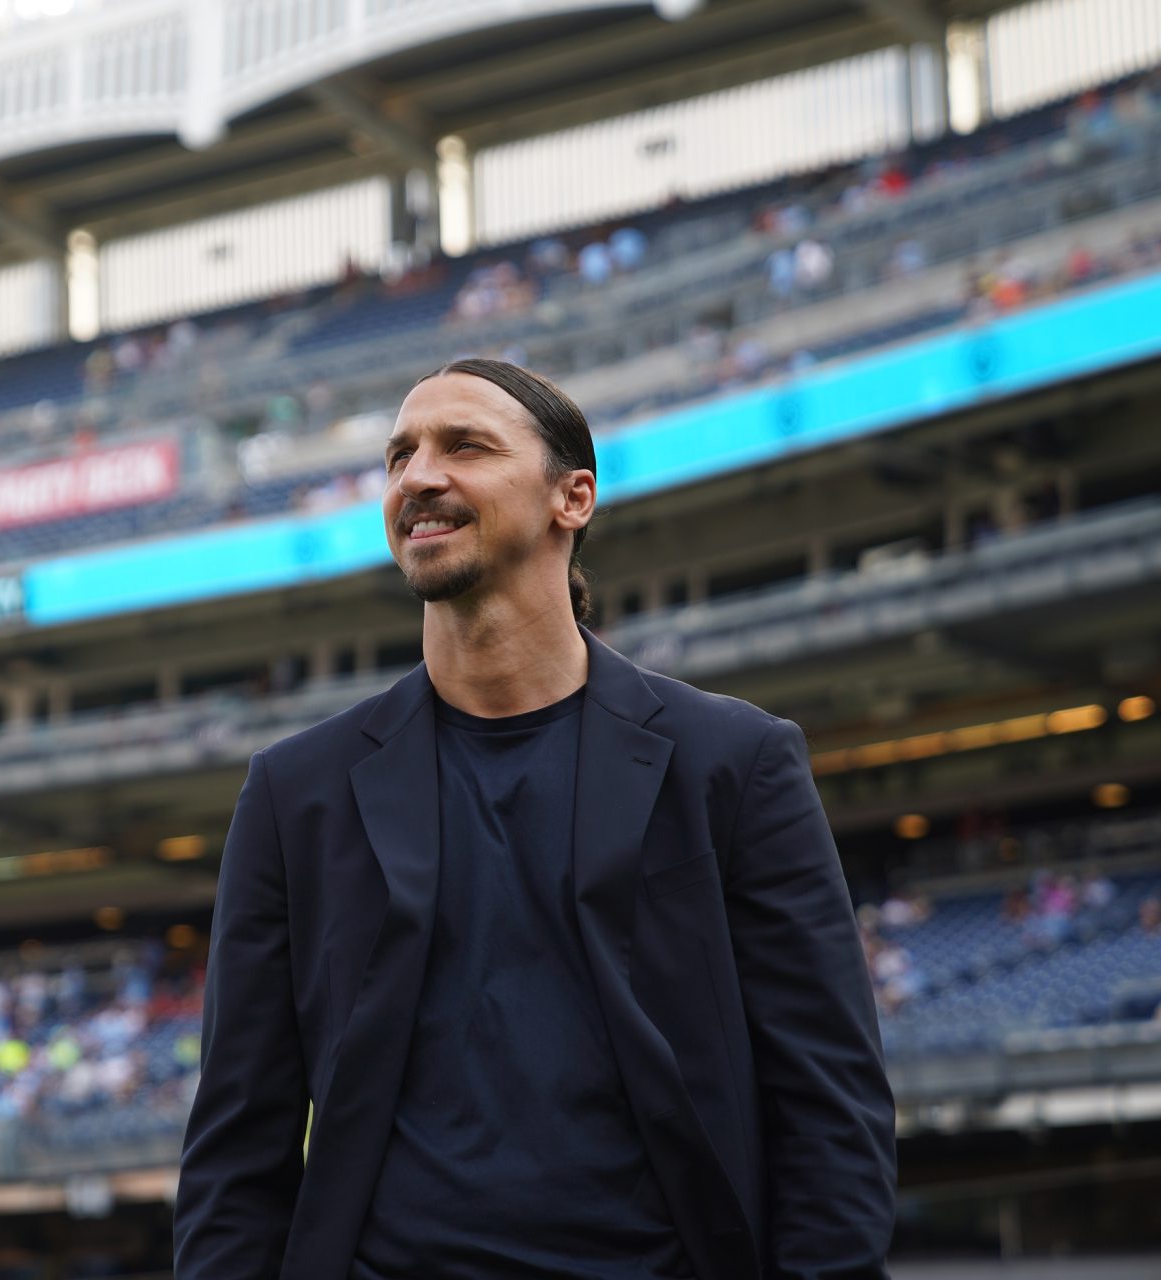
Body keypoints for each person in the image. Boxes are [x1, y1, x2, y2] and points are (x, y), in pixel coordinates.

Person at [173, 359, 895, 1280]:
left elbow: (830, 1103)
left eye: (464, 446)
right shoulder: (294, 793)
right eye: (399, 456)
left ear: (573, 498)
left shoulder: (736, 763)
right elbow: (237, 1145)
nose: (418, 476)